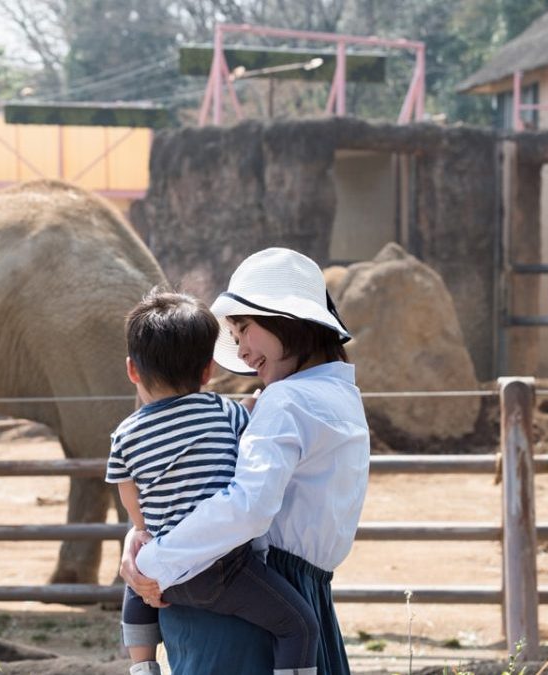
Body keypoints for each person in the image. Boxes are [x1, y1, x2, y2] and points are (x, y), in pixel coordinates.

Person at [120, 248, 370, 675]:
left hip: (240, 608)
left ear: (284, 318)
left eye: (244, 330)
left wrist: (153, 557)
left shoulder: (287, 400)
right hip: (295, 595)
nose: (243, 352)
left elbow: (247, 506)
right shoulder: (340, 396)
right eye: (234, 338)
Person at [108, 288, 322, 675]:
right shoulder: (224, 412)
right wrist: (253, 408)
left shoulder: (125, 434)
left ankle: (142, 666)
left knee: (137, 579)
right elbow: (249, 449)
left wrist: (141, 528)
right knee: (299, 626)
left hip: (164, 578)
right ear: (208, 369)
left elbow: (128, 489)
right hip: (225, 572)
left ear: (131, 369)